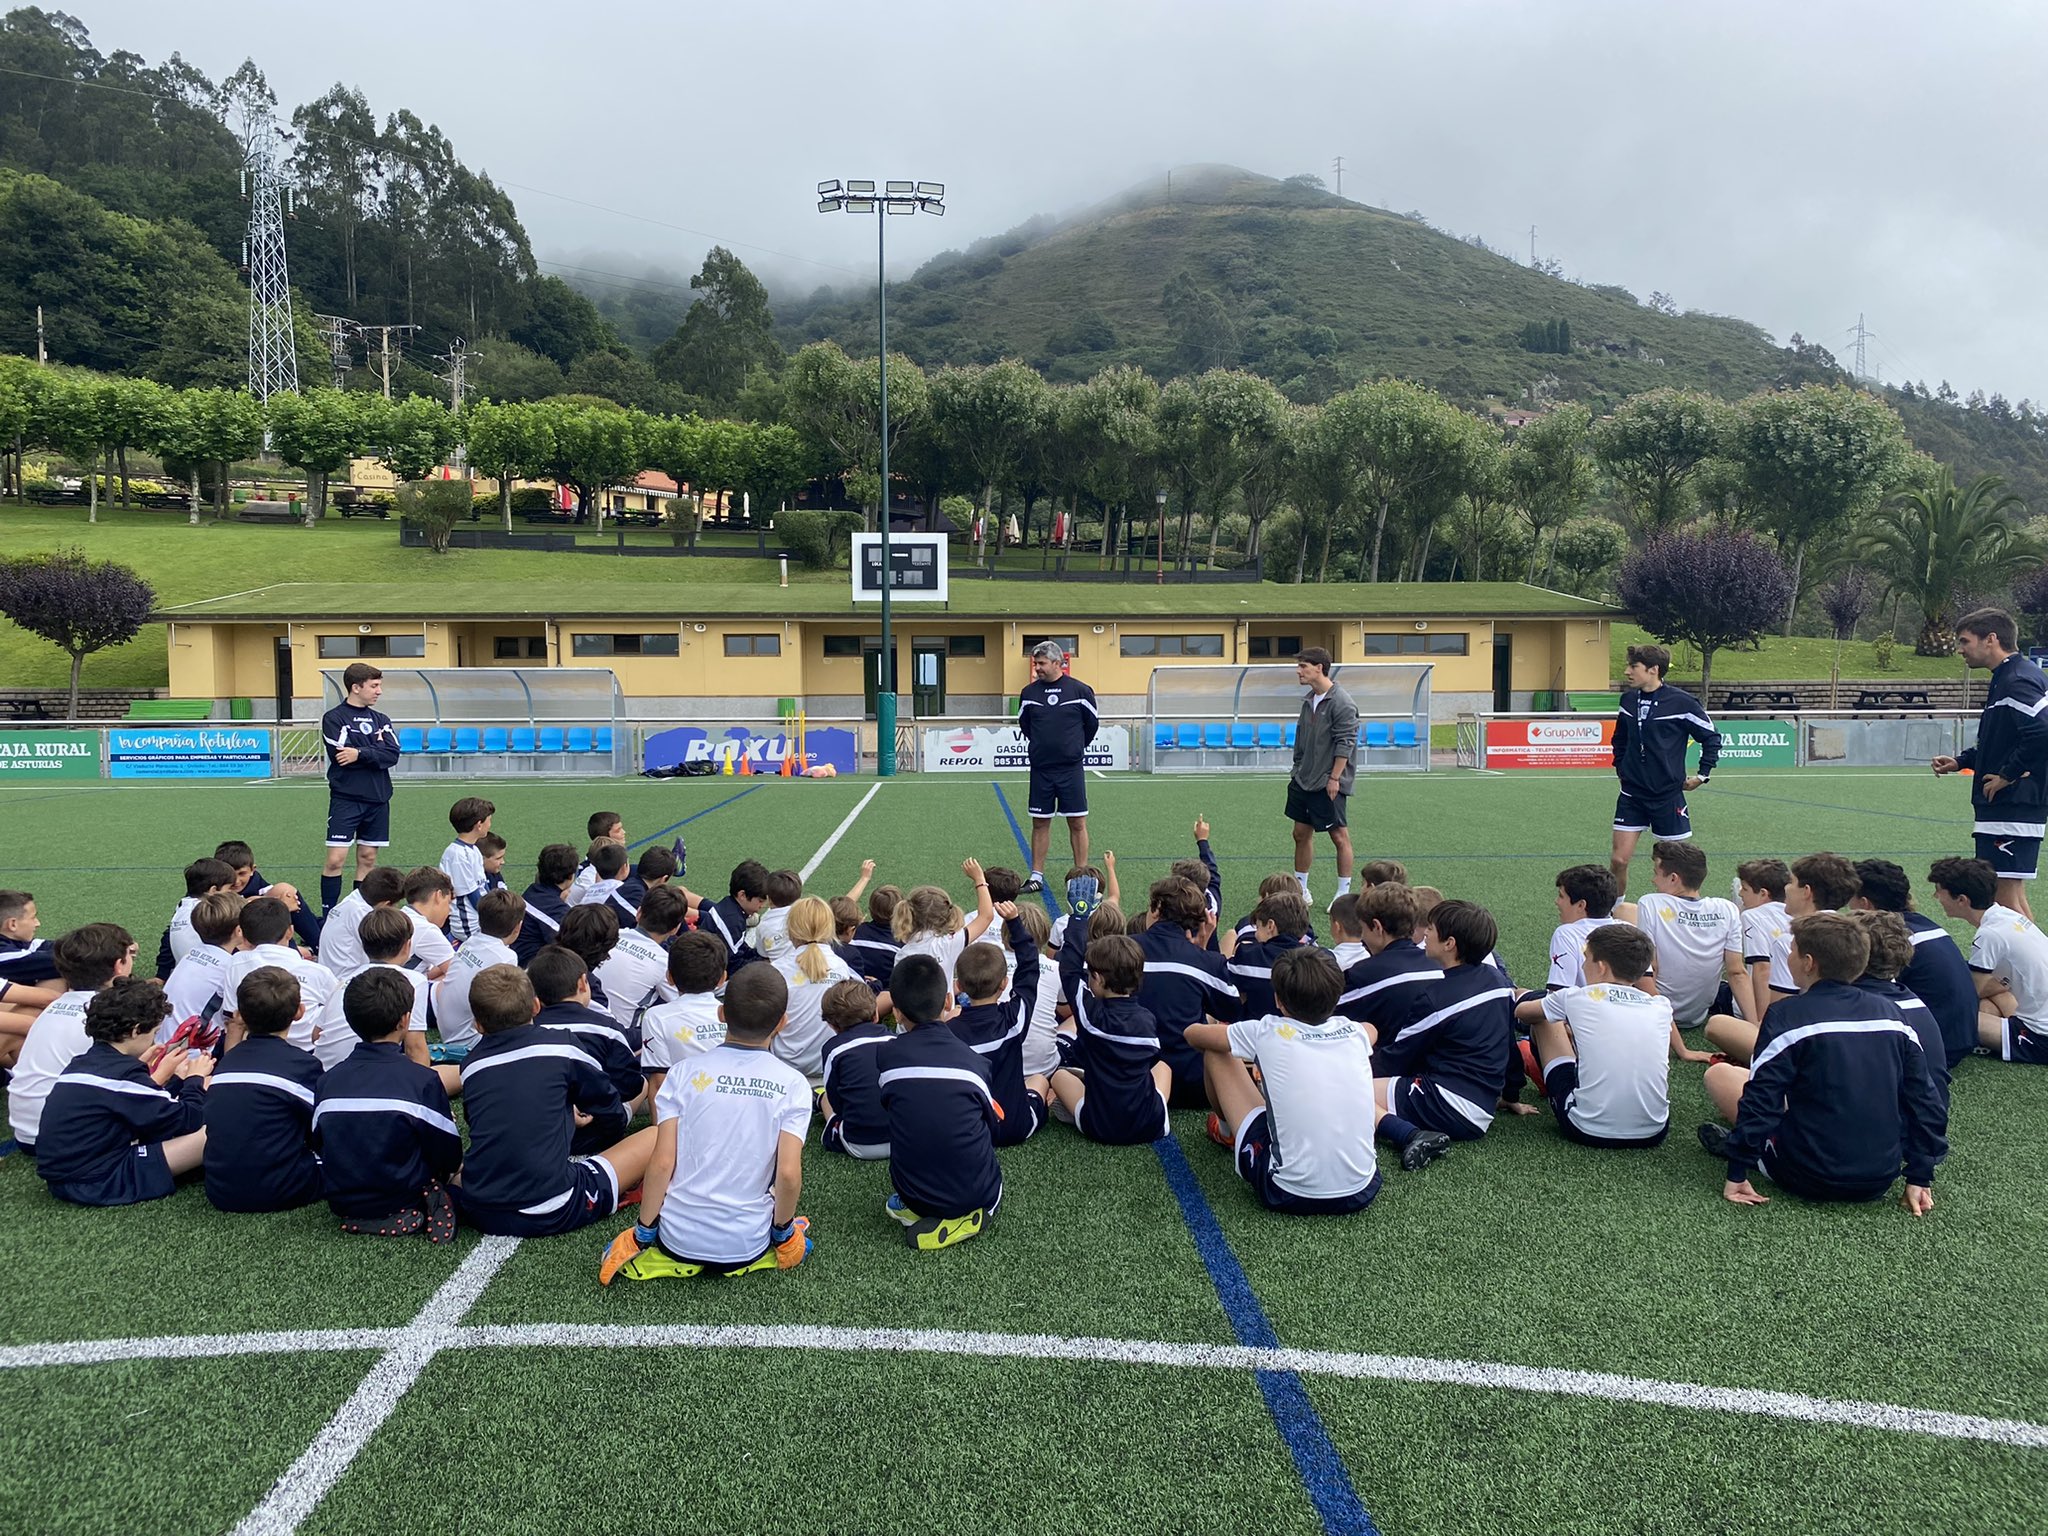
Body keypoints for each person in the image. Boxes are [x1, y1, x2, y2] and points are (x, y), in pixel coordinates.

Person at [1699, 914, 1945, 1212]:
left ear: (1808, 963)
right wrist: (1920, 1175)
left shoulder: (1786, 1015)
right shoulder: (1892, 1014)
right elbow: (1925, 1099)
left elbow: (1762, 1098)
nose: (1787, 958)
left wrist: (1737, 1171)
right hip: (1880, 1177)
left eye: (1792, 951)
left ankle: (1742, 1149)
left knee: (1721, 1076)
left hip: (1805, 1174)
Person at [598, 963, 812, 1283]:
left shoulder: (682, 1073)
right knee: (793, 1238)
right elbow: (788, 1173)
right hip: (747, 1244)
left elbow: (662, 1162)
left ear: (721, 1013)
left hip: (676, 1240)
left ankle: (669, 1254)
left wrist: (642, 1233)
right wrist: (783, 1232)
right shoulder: (793, 1084)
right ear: (782, 1022)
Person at [452, 964, 656, 1238]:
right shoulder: (562, 1046)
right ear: (536, 1006)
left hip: (480, 1208)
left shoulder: (471, 1065)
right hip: (553, 1206)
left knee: (460, 1172)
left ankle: (448, 1191)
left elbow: (492, 1117)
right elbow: (607, 1104)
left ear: (477, 1024)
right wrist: (610, 1127)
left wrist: (563, 1111)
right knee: (656, 1136)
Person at [1186, 947, 1383, 1211]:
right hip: (1363, 1188)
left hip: (1285, 1190)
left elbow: (1193, 1034)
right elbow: (1371, 1030)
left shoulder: (1266, 1031)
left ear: (1278, 1000)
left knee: (1216, 1052)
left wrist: (1220, 1028)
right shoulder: (1355, 1032)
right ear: (1336, 998)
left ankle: (1225, 1131)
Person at [311, 968, 464, 1241]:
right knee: (461, 1167)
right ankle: (425, 1199)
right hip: (403, 1191)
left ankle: (371, 1214)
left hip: (343, 1199)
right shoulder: (421, 1080)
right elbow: (449, 1154)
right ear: (404, 1020)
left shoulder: (327, 1081)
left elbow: (319, 1141)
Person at [35, 977, 210, 1205]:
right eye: (154, 1032)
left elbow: (141, 1105)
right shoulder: (122, 1076)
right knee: (215, 1130)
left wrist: (174, 1079)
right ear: (136, 1031)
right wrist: (195, 1079)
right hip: (97, 1181)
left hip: (70, 1174)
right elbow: (189, 1119)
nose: (153, 1040)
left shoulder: (84, 1063)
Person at [877, 954, 1003, 1250]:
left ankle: (925, 1208)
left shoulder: (887, 1056)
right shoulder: (976, 1062)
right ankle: (964, 1219)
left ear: (896, 1013)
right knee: (991, 1185)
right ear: (948, 1001)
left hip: (911, 1192)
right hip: (979, 1193)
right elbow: (991, 1126)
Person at [1933, 608, 2048, 919]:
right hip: (2010, 804)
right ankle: (2029, 954)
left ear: (1991, 639)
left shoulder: (2016, 679)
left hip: (2013, 802)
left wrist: (2008, 775)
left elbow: (2042, 731)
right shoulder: (2009, 676)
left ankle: (2026, 954)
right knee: (2009, 896)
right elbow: (2005, 740)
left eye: (1964, 641)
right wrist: (1961, 761)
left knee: (2003, 898)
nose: (1960, 649)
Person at [1371, 899, 1508, 1159]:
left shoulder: (1436, 998)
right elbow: (1507, 1043)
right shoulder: (1498, 980)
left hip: (1447, 1103)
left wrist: (1349, 1067)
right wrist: (1511, 1094)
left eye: (1431, 928)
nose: (1425, 933)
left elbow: (1395, 1058)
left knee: (1348, 1090)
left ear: (1449, 944)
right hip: (1483, 1104)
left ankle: (1409, 1135)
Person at [1526, 924, 1673, 1149]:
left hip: (1587, 1128)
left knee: (1545, 1021)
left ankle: (1549, 1084)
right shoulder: (1661, 1006)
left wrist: (1522, 996)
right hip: (1654, 1131)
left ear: (1602, 967)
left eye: (1586, 958)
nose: (1583, 965)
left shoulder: (1576, 997)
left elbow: (1523, 1013)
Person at [1707, 853, 1857, 1066]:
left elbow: (1778, 1014)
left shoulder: (1792, 942)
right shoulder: (1856, 933)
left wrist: (1758, 1026)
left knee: (1717, 1026)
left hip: (1808, 1043)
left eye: (1791, 883)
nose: (1785, 888)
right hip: (1850, 1038)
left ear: (1806, 892)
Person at [1049, 900, 1172, 1145]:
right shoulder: (1147, 1020)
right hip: (1151, 1124)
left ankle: (1083, 1092)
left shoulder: (1090, 1016)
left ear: (1098, 978)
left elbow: (1069, 971)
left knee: (1059, 1076)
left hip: (1099, 1125)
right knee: (1164, 1067)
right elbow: (1152, 1060)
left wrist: (1079, 918)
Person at [7, 923, 136, 1155]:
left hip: (26, 1132)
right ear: (119, 965)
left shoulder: (55, 1006)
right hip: (62, 1137)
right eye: (130, 956)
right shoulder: (107, 1017)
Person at [205, 966, 325, 1212]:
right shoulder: (302, 1065)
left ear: (239, 1015)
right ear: (300, 1012)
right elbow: (322, 1126)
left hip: (220, 1190)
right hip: (281, 1189)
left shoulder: (226, 1063)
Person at [1609, 642, 1721, 890]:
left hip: (1667, 796)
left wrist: (1703, 775)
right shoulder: (1628, 700)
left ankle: (1676, 910)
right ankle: (1614, 909)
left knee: (1675, 868)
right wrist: (1621, 767)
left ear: (1653, 670)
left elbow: (1711, 737)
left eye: (1633, 666)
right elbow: (1620, 739)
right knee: (1618, 860)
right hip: (1632, 794)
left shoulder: (1682, 702)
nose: (1627, 671)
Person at [1853, 858, 1979, 1072]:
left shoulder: (1888, 938)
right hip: (1960, 1037)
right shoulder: (1925, 925)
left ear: (1865, 904)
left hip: (1932, 1050)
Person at [1928, 855, 2048, 1065]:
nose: (1935, 896)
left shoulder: (1989, 935)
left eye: (1939, 891)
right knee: (1988, 997)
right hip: (2036, 1011)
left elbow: (1965, 997)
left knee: (1944, 1017)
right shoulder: (2008, 916)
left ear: (1962, 900)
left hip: (2040, 1037)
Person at [1630, 841, 1752, 1047]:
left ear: (1673, 878)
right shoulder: (1728, 909)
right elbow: (1737, 972)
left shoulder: (1650, 902)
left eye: (1656, 873)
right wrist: (1754, 1024)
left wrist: (1653, 1018)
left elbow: (1651, 968)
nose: (1653, 880)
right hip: (1697, 1015)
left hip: (1662, 1010)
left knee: (1623, 913)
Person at [1135, 876, 1240, 1106]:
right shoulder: (1206, 961)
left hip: (1131, 1078)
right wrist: (1203, 951)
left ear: (1157, 908)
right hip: (1191, 1085)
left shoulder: (1123, 948)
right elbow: (1232, 1011)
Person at [950, 902, 1047, 1144]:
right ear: (1004, 983)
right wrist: (1015, 923)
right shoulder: (1013, 1021)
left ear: (959, 986)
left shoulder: (947, 1033)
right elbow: (1030, 969)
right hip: (1015, 1127)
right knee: (1040, 1080)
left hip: (970, 1129)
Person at [528, 946, 648, 1140]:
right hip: (599, 1131)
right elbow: (630, 1086)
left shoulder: (527, 1028)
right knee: (643, 1082)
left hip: (544, 1127)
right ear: (583, 983)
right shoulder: (607, 1028)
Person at [306, 907, 434, 1073]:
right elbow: (415, 1048)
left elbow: (316, 1035)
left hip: (323, 1072)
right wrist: (422, 1084)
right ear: (407, 945)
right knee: (451, 1073)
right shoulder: (414, 980)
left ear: (363, 945)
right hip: (363, 1072)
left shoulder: (345, 980)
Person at [320, 661, 402, 913]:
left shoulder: (381, 719)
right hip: (346, 799)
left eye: (379, 686)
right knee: (335, 860)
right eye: (374, 686)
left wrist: (360, 752)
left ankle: (360, 914)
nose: (379, 691)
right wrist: (374, 749)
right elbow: (340, 755)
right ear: (356, 687)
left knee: (368, 859)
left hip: (378, 799)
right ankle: (329, 915)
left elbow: (392, 754)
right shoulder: (334, 718)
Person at [1017, 639, 1098, 893]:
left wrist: (1072, 748)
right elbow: (1025, 726)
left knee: (1077, 822)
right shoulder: (1028, 693)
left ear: (1056, 663)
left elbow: (1091, 725)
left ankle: (1080, 875)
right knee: (1040, 822)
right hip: (1041, 769)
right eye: (1035, 663)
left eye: (1041, 663)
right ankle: (1036, 877)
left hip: (1070, 769)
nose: (1037, 668)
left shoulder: (1080, 691)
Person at [1286, 647, 1358, 907]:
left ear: (1319, 668)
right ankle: (1301, 889)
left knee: (1339, 837)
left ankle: (1343, 893)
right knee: (1300, 833)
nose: (1298, 671)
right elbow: (1301, 738)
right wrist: (1297, 769)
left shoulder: (1342, 702)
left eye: (1303, 666)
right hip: (1303, 779)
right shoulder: (1309, 700)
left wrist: (1335, 778)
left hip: (1328, 782)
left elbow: (1346, 742)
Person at [220, 896, 336, 1052]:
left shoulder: (236, 963)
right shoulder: (318, 972)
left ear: (244, 937)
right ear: (290, 932)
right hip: (309, 1052)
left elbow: (234, 1022)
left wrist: (230, 1062)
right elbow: (339, 1009)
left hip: (255, 1050)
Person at [769, 895, 861, 1086]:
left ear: (791, 930)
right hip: (826, 1063)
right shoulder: (840, 967)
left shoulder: (778, 969)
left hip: (785, 1065)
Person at [1335, 884, 1442, 1037]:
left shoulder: (1363, 975)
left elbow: (1324, 1018)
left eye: (1363, 928)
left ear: (1377, 927)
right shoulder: (1439, 965)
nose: (1362, 936)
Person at [432, 887, 524, 1063]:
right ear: (518, 927)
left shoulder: (471, 941)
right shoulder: (506, 957)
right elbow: (506, 1007)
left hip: (448, 1030)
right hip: (469, 1042)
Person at [638, 930, 727, 1098]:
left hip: (683, 1107)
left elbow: (659, 1084)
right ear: (723, 979)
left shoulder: (656, 1017)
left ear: (669, 977)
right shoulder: (735, 1016)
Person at [594, 884, 686, 1040]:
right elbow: (683, 1005)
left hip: (577, 1022)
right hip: (616, 1038)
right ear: (675, 929)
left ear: (639, 913)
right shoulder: (664, 962)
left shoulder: (608, 935)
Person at [159, 892, 245, 1050]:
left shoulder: (190, 955)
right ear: (239, 931)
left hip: (162, 1044)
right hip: (189, 1054)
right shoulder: (230, 968)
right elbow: (237, 1021)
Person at [819, 978, 891, 1159]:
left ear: (832, 1025)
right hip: (904, 1138)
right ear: (876, 1014)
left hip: (859, 1143)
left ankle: (819, 1102)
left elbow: (836, 1102)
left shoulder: (833, 1049)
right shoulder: (896, 1041)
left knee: (825, 1099)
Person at [1221, 889, 1315, 1022]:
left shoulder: (1249, 956)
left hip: (1257, 1030)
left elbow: (1222, 983)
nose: (1255, 934)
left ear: (1270, 926)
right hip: (1309, 1030)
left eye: (1258, 927)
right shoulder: (1322, 958)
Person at [314, 866, 404, 980]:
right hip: (348, 980)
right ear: (385, 904)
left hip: (334, 975)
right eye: (396, 904)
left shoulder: (351, 900)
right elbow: (387, 955)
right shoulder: (364, 915)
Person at [156, 858, 237, 978]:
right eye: (230, 888)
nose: (233, 893)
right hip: (210, 975)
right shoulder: (206, 912)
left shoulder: (182, 907)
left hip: (183, 973)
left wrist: (162, 973)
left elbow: (167, 939)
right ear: (213, 890)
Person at [1543, 865, 1620, 991]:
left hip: (1582, 1003)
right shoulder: (1628, 930)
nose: (1557, 902)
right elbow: (1648, 989)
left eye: (1561, 896)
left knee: (1519, 996)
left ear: (1580, 905)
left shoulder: (1566, 934)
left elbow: (1558, 995)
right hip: (1623, 1002)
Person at [513, 843, 580, 967]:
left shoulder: (532, 891)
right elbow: (572, 945)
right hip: (531, 968)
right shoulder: (556, 910)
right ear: (571, 876)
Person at [440, 796, 495, 945]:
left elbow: (482, 885)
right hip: (469, 922)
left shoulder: (473, 850)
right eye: (489, 820)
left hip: (480, 916)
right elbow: (471, 893)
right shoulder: (458, 855)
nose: (490, 825)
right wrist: (491, 915)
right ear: (479, 825)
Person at [699, 858, 770, 971]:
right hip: (707, 970)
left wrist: (758, 955)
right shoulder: (733, 921)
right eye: (760, 901)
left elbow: (740, 947)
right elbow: (734, 965)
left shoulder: (730, 906)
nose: (762, 906)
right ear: (742, 895)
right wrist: (765, 962)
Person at [848, 885, 903, 989]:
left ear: (870, 910)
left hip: (855, 991)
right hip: (887, 994)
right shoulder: (902, 943)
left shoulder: (852, 934)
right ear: (900, 912)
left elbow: (839, 909)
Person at [569, 811, 626, 905]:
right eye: (618, 830)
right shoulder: (589, 877)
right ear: (605, 837)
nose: (624, 832)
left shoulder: (596, 864)